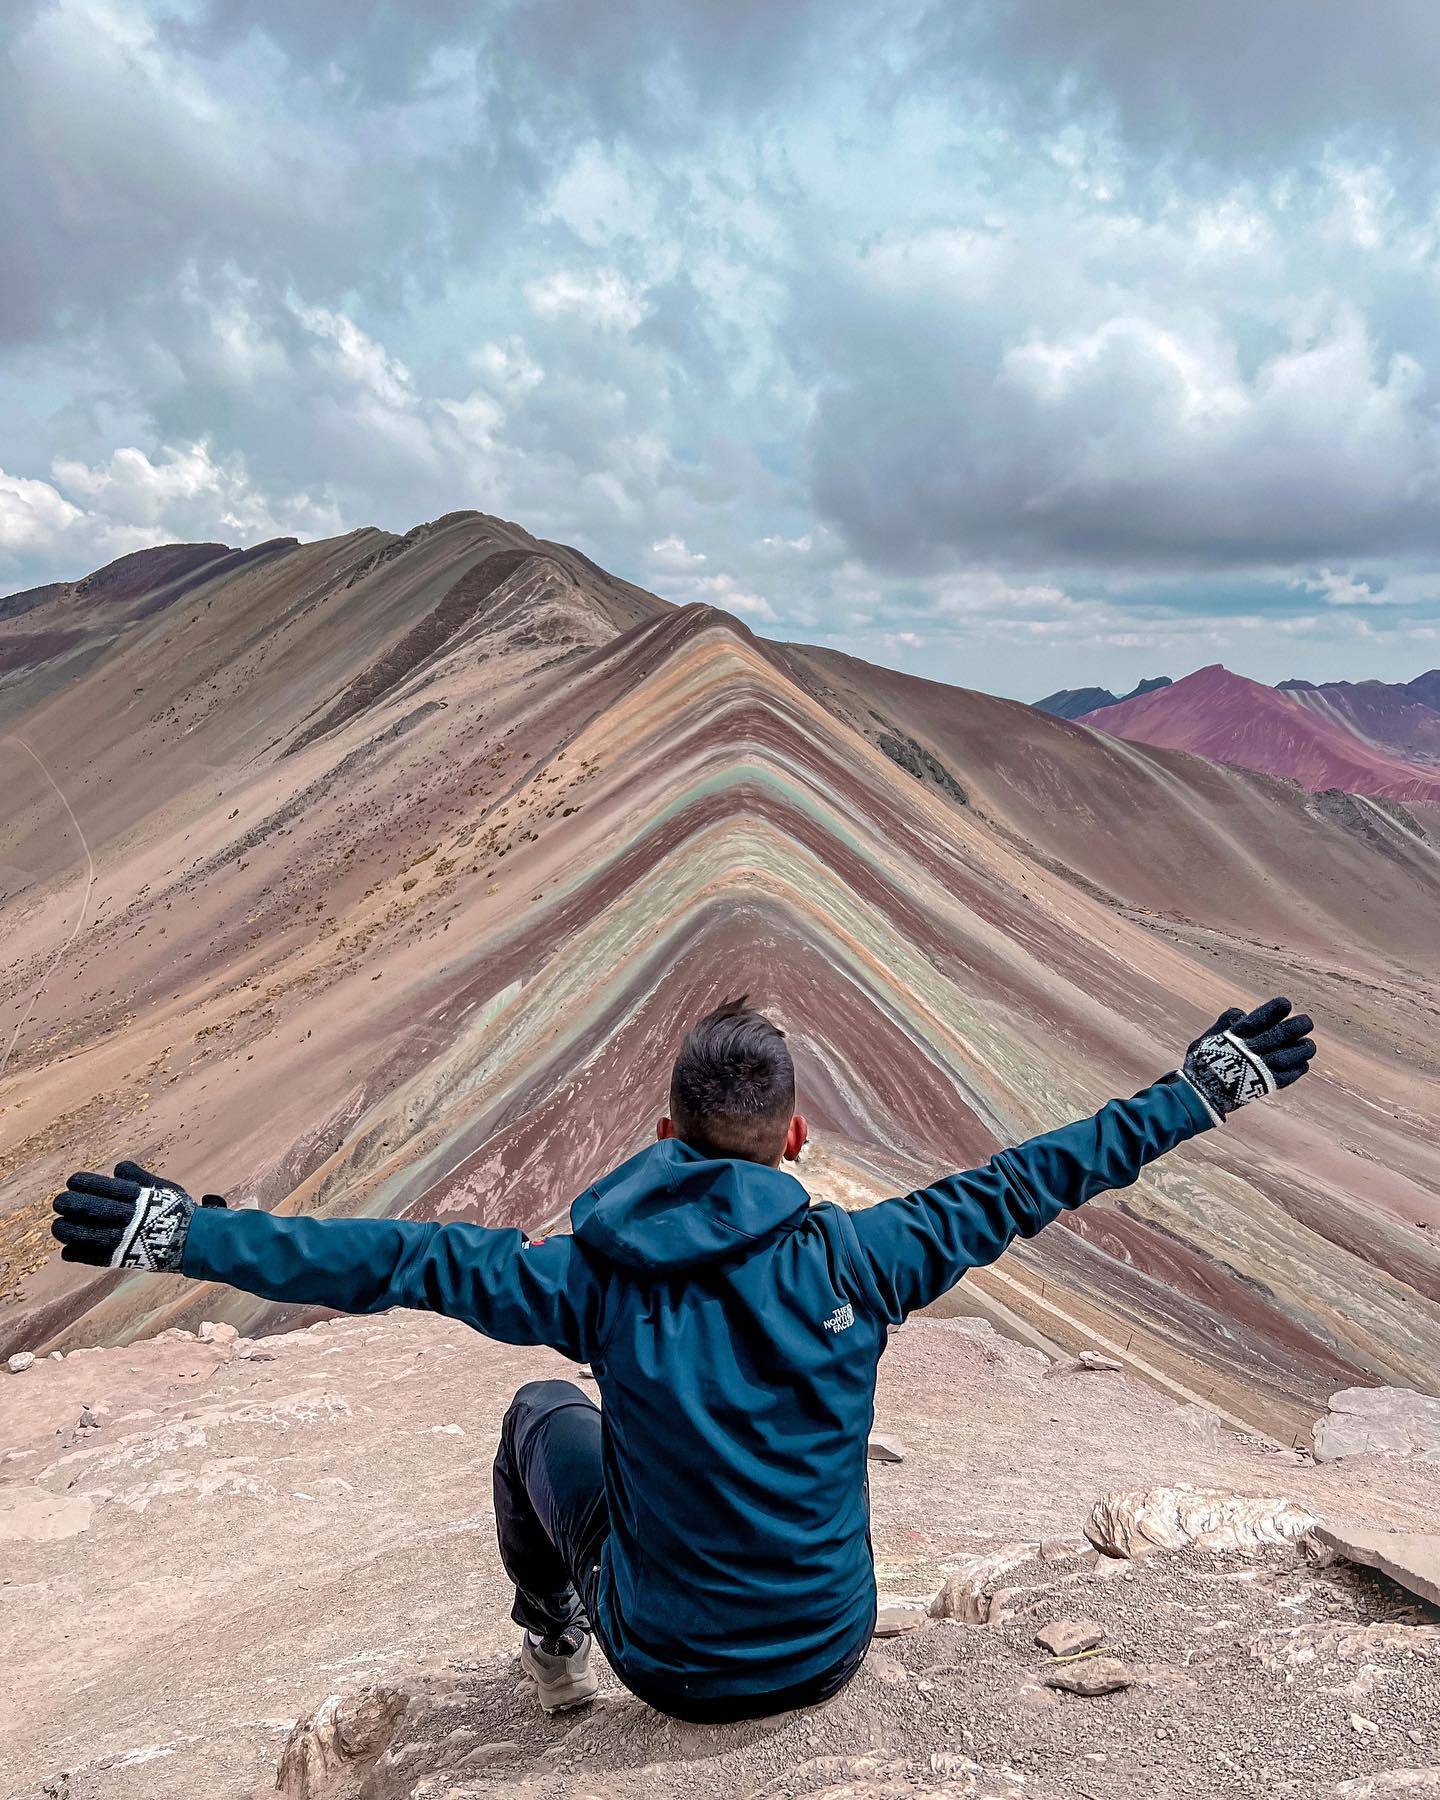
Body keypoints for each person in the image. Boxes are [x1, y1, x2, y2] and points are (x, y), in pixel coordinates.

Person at [51, 993, 1314, 1721]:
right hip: (831, 1648)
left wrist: (194, 1233)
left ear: (666, 1134)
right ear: (796, 1136)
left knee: (540, 1413)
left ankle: (553, 1646)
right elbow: (1039, 1176)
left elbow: (396, 1258)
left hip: (669, 1670)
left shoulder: (587, 1283)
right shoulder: (868, 1260)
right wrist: (1200, 1089)